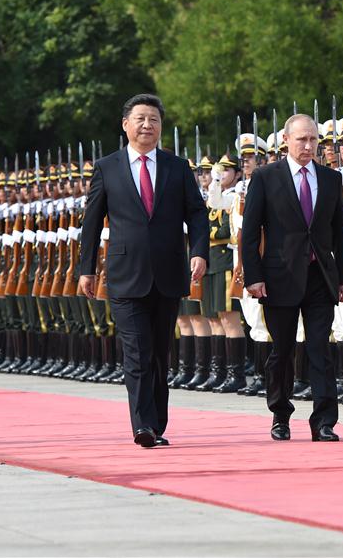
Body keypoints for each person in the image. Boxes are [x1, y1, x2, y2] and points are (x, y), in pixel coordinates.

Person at [78, 94, 209, 448]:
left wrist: (199, 252)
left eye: (153, 119)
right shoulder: (108, 167)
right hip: (124, 273)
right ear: (126, 125)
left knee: (158, 354)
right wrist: (86, 269)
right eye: (140, 119)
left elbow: (197, 213)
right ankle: (143, 425)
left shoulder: (176, 167)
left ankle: (157, 423)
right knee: (135, 351)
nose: (147, 125)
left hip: (168, 272)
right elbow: (91, 222)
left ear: (161, 127)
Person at [241, 113, 343, 442]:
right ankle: (280, 414)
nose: (308, 146)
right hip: (279, 278)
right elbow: (250, 233)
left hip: (320, 276)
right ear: (286, 141)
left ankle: (324, 421)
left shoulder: (330, 178)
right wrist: (254, 276)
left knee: (320, 348)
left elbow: (340, 231)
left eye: (313, 139)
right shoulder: (265, 177)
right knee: (283, 350)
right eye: (301, 139)